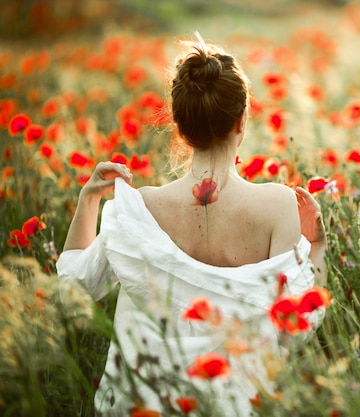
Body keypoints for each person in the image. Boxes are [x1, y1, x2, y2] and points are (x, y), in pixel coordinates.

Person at [56, 34, 327, 416]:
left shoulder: (139, 209)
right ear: (241, 121)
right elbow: (295, 331)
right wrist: (316, 248)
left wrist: (88, 200)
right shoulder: (280, 206)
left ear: (179, 128)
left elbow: (74, 292)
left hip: (142, 406)